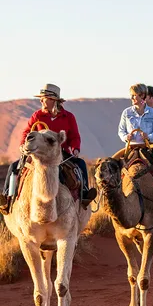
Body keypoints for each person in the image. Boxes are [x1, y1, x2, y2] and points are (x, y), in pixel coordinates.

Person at [0, 84, 97, 213]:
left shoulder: (68, 117)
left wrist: (75, 149)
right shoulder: (37, 116)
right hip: (38, 152)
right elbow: (27, 132)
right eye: (41, 98)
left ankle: (84, 194)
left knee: (81, 164)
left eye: (44, 98)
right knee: (13, 167)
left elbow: (74, 136)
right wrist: (23, 144)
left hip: (60, 153)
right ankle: (7, 198)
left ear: (53, 100)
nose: (41, 101)